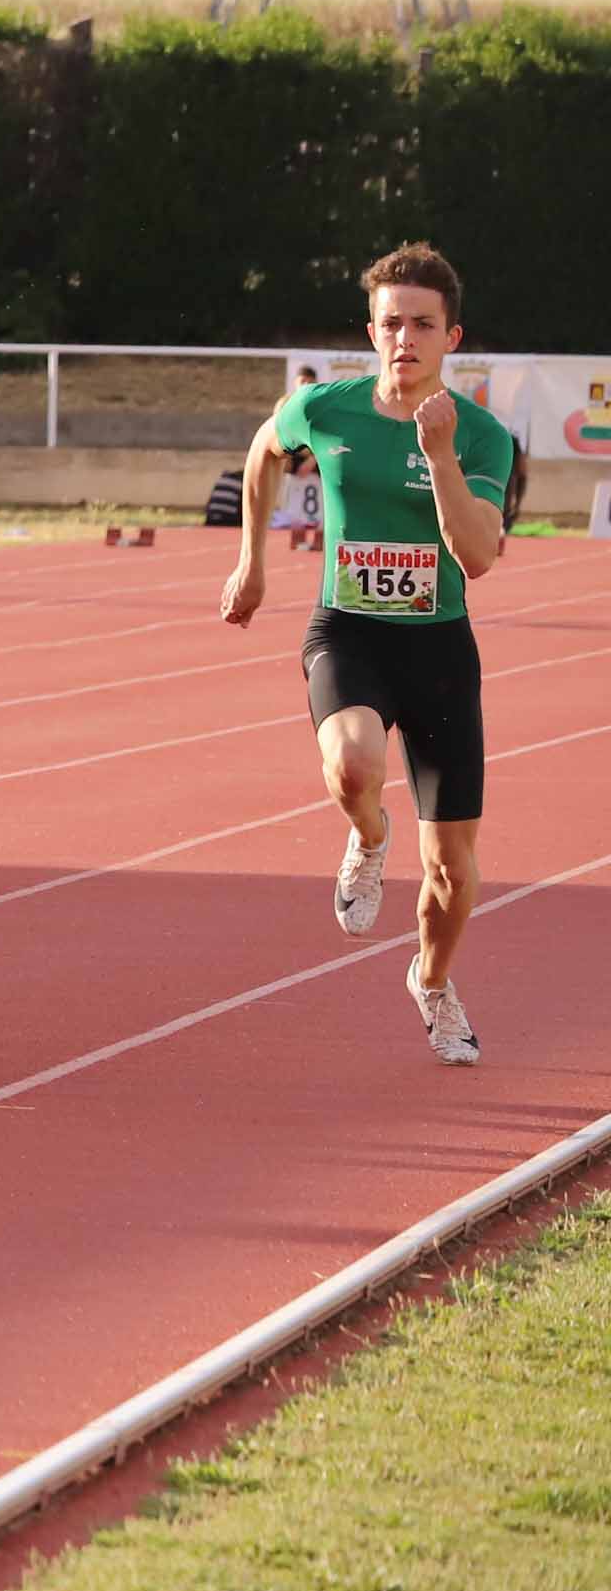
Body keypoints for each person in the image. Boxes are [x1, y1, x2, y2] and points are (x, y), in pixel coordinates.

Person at [218, 243, 517, 1066]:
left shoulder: (483, 436)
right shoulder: (325, 408)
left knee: (453, 871)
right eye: (392, 323)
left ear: (452, 336)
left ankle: (430, 978)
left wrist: (442, 455)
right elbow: (261, 454)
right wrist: (252, 560)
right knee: (351, 766)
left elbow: (479, 557)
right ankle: (369, 835)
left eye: (424, 324)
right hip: (348, 630)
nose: (405, 339)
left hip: (439, 651)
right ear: (371, 330)